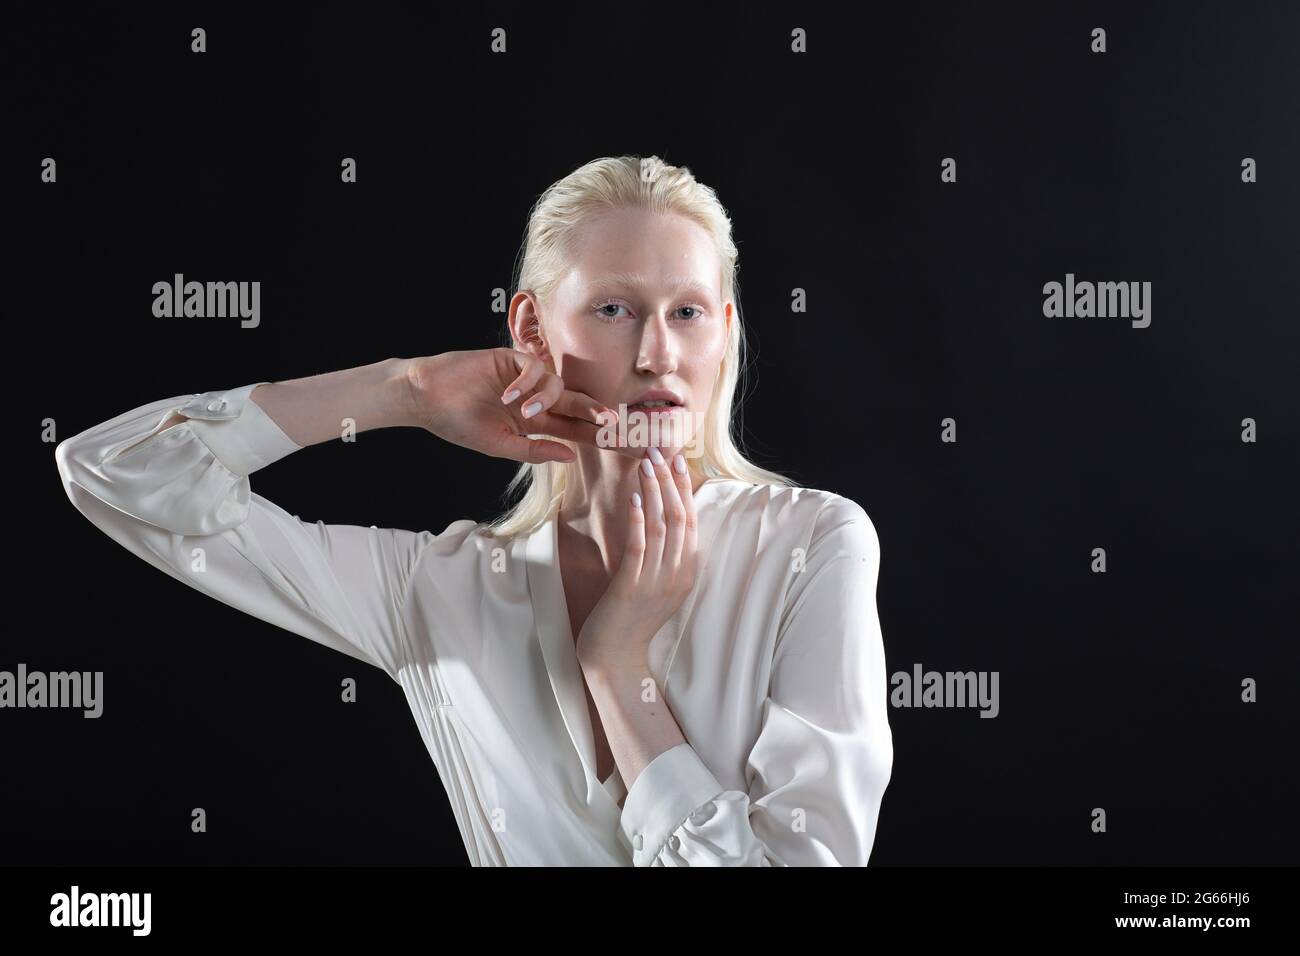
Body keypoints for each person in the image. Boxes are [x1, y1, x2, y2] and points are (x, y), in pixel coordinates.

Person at [55, 154, 893, 866]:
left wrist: (619, 666)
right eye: (613, 309)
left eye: (687, 312)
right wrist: (405, 390)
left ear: (726, 332)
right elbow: (111, 472)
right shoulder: (438, 591)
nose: (656, 354)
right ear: (531, 330)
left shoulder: (813, 543)